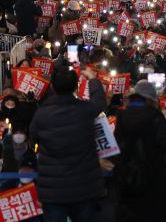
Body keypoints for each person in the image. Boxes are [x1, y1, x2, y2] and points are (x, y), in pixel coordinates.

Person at [29, 64, 107, 222]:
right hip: (84, 186)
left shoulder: (42, 113)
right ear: (75, 86)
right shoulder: (85, 110)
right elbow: (100, 101)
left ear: (52, 86)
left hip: (53, 189)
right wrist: (92, 78)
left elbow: (33, 138)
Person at [114, 80, 166, 222]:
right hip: (153, 182)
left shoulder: (122, 116)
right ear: (150, 100)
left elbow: (116, 148)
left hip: (127, 181)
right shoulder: (155, 117)